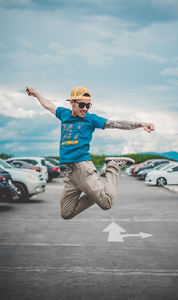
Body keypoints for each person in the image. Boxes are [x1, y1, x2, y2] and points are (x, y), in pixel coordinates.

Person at [25, 86, 155, 219]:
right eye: (82, 105)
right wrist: (35, 94)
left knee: (106, 203)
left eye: (88, 105)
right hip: (69, 173)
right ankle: (93, 194)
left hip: (82, 167)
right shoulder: (64, 114)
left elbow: (115, 123)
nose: (85, 109)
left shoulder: (90, 119)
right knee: (66, 213)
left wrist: (141, 124)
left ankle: (113, 166)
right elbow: (48, 104)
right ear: (72, 103)